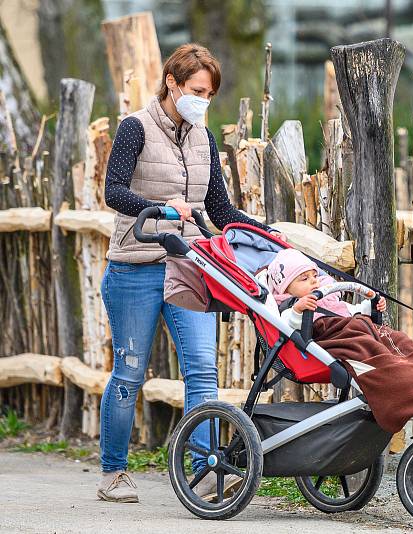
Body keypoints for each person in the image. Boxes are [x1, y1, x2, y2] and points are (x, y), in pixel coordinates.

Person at [98, 43, 278, 504]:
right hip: (134, 267)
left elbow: (219, 209)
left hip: (188, 266)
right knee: (129, 373)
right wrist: (158, 208)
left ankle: (203, 471)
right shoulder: (135, 128)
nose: (203, 100)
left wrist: (265, 231)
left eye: (210, 94)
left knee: (202, 370)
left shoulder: (204, 138)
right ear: (173, 84)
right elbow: (113, 191)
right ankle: (113, 472)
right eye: (197, 90)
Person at [260, 248, 413, 434]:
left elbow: (350, 312)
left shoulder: (328, 299)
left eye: (314, 275)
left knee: (406, 347)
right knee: (383, 361)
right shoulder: (289, 308)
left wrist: (370, 307)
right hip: (337, 338)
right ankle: (412, 402)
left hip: (358, 328)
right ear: (286, 289)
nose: (314, 281)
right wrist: (298, 310)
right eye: (304, 279)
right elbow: (287, 326)